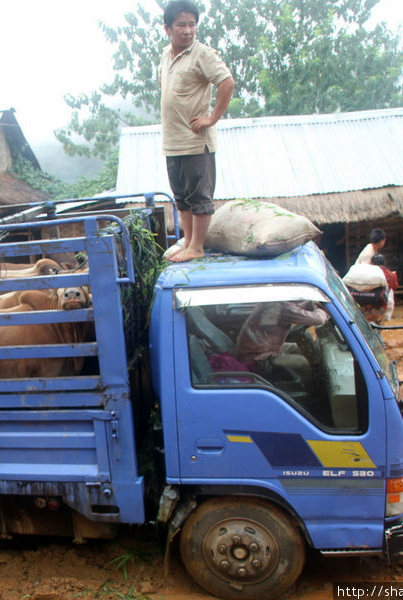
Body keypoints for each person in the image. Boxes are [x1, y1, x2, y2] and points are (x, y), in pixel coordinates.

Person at [160, 0, 235, 263]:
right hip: (172, 142)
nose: (188, 30)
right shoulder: (165, 56)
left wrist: (212, 117)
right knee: (182, 198)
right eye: (182, 25)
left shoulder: (202, 54)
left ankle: (197, 247)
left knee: (199, 197)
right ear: (168, 28)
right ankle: (189, 243)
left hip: (195, 142)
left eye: (192, 25)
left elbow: (227, 82)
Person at [236, 301, 328, 365]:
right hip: (257, 357)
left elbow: (297, 308)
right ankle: (311, 390)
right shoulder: (282, 308)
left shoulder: (276, 303)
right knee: (302, 363)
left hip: (262, 347)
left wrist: (312, 303)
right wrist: (321, 309)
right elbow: (319, 319)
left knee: (299, 349)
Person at [372, 253, 398, 321]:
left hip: (372, 301)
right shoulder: (392, 274)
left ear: (372, 263)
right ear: (385, 263)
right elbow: (394, 287)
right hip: (386, 303)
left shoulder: (369, 273)